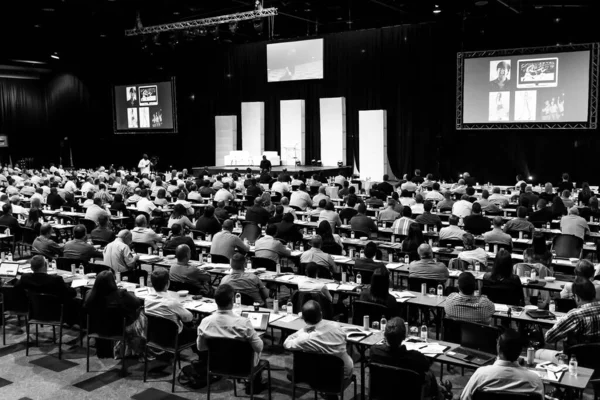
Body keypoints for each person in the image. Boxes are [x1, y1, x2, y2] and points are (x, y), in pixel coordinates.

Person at [197, 283, 267, 393]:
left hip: (216, 365)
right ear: (232, 301)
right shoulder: (243, 323)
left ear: (215, 301)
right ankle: (255, 385)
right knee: (255, 347)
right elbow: (259, 347)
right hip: (243, 367)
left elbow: (201, 348)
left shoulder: (205, 322)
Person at [371, 317, 444, 400]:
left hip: (383, 394)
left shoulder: (374, 351)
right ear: (404, 337)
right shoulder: (415, 357)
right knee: (429, 375)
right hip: (409, 395)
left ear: (385, 335)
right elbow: (426, 365)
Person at [460, 329, 544, 400]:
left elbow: (464, 398)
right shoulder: (535, 381)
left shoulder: (480, 375)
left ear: (498, 347)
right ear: (521, 351)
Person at [283, 301, 353, 381]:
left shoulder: (305, 339)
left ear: (304, 319)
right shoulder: (336, 326)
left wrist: (302, 331)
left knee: (301, 356)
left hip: (321, 378)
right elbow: (345, 339)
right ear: (321, 314)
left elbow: (286, 343)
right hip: (344, 374)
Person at [84, 270, 146, 358]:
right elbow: (137, 303)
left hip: (96, 329)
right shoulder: (120, 294)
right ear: (113, 282)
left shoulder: (89, 295)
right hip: (118, 330)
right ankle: (140, 348)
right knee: (142, 313)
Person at [15, 255, 80, 325]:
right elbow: (70, 293)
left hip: (35, 312)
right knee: (77, 301)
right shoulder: (56, 280)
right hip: (56, 313)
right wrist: (75, 289)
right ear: (45, 266)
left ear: (31, 267)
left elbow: (17, 288)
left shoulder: (25, 277)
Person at [144, 268, 198, 352]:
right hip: (173, 339)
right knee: (199, 331)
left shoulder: (147, 299)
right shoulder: (171, 302)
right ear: (168, 283)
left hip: (154, 336)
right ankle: (203, 360)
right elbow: (189, 318)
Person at [546, 277, 600, 347]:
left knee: (538, 353)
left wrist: (562, 321)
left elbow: (549, 338)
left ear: (577, 297)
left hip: (577, 357)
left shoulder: (574, 316)